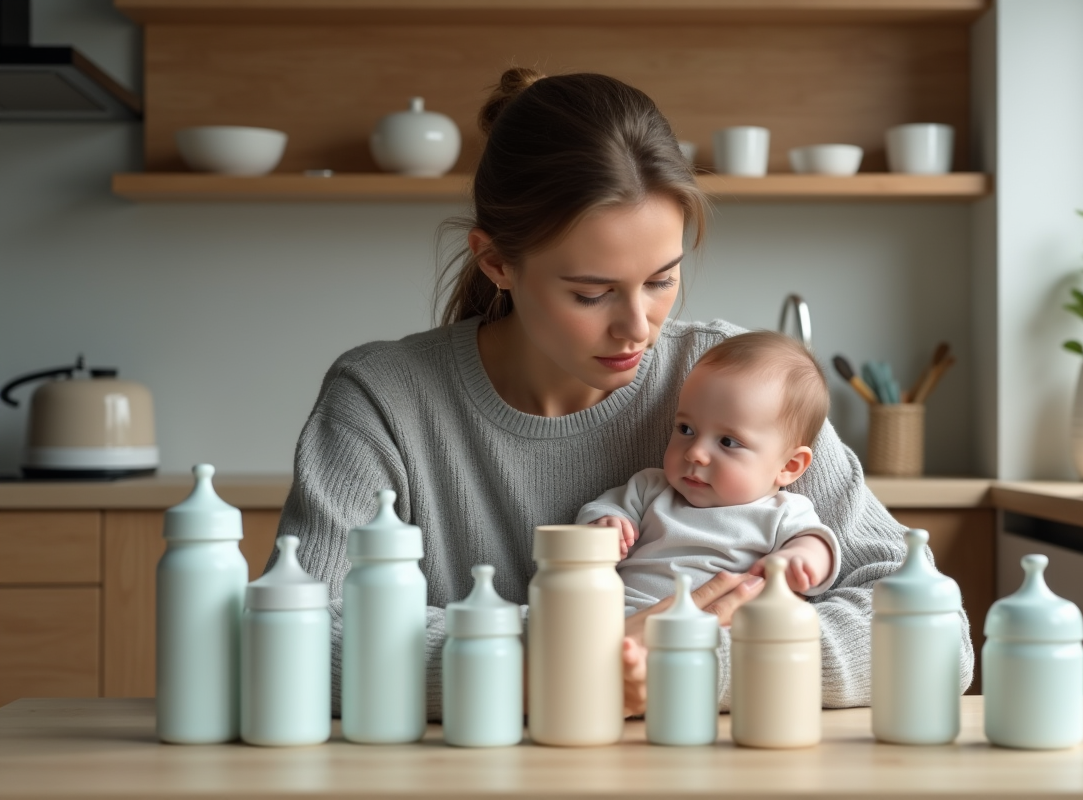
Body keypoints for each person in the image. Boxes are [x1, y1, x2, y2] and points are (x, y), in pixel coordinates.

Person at [276, 66, 974, 720]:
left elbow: (936, 631)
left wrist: (685, 663)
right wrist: (559, 667)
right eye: (591, 292)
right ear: (497, 263)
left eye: (662, 279)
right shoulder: (380, 401)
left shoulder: (734, 384)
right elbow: (298, 639)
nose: (637, 327)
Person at [577, 331, 842, 614]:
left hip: (715, 630)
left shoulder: (782, 513)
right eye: (686, 429)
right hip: (626, 614)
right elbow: (600, 509)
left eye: (728, 442)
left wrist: (798, 560)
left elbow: (819, 545)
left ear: (789, 466)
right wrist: (607, 524)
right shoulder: (651, 487)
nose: (695, 453)